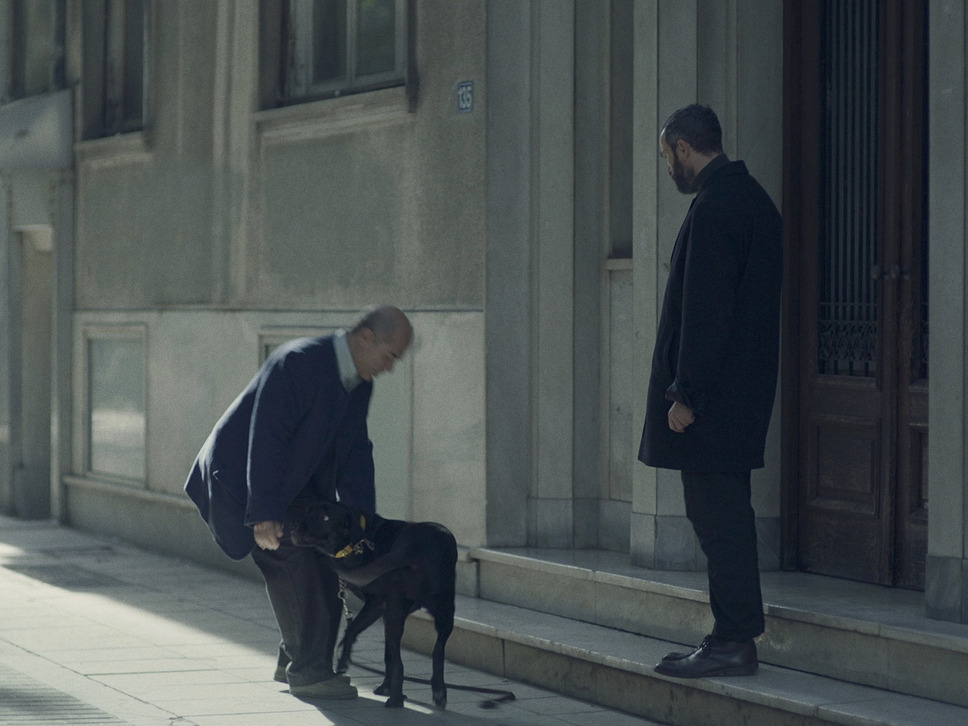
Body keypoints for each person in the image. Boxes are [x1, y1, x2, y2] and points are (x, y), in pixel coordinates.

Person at [185, 305, 413, 699]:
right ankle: (308, 671)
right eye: (390, 355)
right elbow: (267, 437)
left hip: (290, 485)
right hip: (243, 480)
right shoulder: (299, 362)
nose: (389, 367)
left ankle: (294, 656)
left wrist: (365, 527)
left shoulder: (359, 382)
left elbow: (356, 453)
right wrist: (265, 512)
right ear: (365, 338)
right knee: (293, 557)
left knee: (326, 556)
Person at [638, 105, 782, 679]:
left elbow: (706, 312)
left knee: (718, 522)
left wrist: (686, 394)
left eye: (666, 155)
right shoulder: (755, 202)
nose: (668, 167)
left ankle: (733, 640)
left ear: (681, 148)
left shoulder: (717, 207)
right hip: (741, 397)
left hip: (714, 403)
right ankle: (729, 635)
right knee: (726, 518)